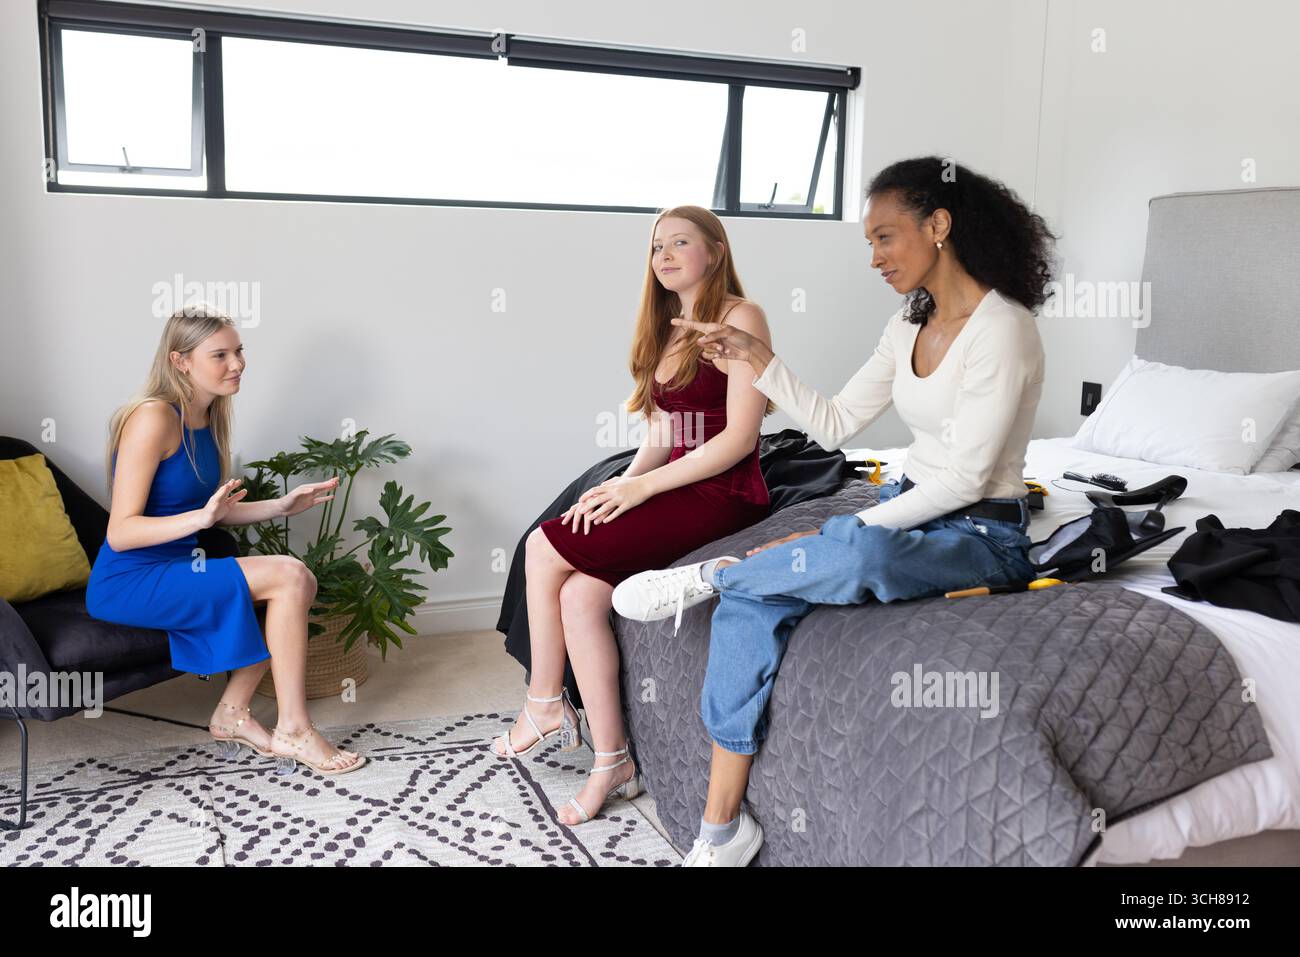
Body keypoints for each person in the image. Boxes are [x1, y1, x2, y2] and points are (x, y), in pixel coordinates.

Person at [614, 157, 1055, 865]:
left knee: (856, 552)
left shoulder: (1004, 329)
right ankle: (721, 831)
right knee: (753, 606)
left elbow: (968, 477)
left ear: (938, 225)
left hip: (981, 532)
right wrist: (760, 357)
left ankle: (724, 573)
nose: (874, 257)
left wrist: (846, 530)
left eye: (885, 237)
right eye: (868, 242)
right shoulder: (907, 323)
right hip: (905, 503)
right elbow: (839, 422)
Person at [493, 205, 773, 825]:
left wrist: (644, 493)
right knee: (580, 598)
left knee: (544, 547)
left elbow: (736, 441)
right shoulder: (668, 325)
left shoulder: (740, 318)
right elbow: (662, 435)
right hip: (677, 484)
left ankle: (544, 703)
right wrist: (619, 486)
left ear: (716, 252)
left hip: (724, 491)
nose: (665, 255)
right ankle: (613, 760)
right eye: (656, 247)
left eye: (680, 243)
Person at [85, 303, 366, 776]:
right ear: (180, 361)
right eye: (220, 355)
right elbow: (122, 530)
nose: (237, 364)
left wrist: (282, 505)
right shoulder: (153, 418)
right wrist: (201, 517)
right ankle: (294, 728)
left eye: (239, 351)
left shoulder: (209, 419)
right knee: (291, 575)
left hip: (178, 565)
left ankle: (232, 714)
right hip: (130, 578)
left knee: (300, 581)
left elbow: (212, 514)